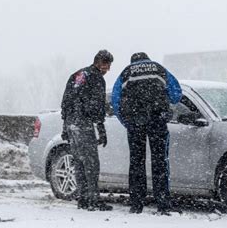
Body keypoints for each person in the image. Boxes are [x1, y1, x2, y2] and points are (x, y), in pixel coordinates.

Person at [111, 52, 182, 215]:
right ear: (147, 59)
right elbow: (176, 95)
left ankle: (136, 203)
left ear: (133, 61)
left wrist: (126, 122)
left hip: (136, 122)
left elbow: (115, 100)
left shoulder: (126, 72)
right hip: (158, 120)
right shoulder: (159, 68)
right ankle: (163, 203)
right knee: (160, 161)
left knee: (136, 161)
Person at [60, 49, 114, 211]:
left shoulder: (77, 75)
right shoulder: (96, 78)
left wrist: (65, 125)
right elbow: (96, 106)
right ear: (99, 63)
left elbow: (66, 100)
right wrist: (101, 128)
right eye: (107, 66)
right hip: (83, 123)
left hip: (71, 123)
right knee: (91, 163)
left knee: (79, 162)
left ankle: (82, 198)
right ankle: (93, 200)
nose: (108, 70)